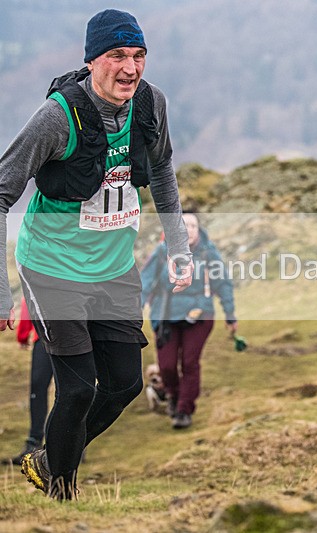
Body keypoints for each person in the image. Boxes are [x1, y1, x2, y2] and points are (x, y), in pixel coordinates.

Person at [0, 9, 193, 499]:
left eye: (138, 56)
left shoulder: (151, 105)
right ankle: (62, 494)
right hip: (52, 268)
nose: (129, 68)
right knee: (79, 387)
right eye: (116, 56)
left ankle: (50, 461)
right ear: (91, 62)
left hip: (112, 267)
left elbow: (164, 170)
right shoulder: (57, 117)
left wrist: (178, 247)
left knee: (126, 383)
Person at [141, 212, 237, 429]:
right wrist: (134, 308)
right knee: (166, 366)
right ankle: (172, 395)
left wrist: (230, 315)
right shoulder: (161, 251)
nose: (189, 229)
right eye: (184, 225)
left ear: (198, 229)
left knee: (190, 363)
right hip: (165, 315)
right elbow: (145, 282)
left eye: (193, 225)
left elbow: (223, 284)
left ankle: (184, 410)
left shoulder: (208, 253)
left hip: (199, 315)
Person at [6, 298, 52, 466]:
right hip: (78, 336)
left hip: (45, 338)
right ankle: (75, 443)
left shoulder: (38, 272)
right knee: (70, 388)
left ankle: (34, 443)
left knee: (38, 389)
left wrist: (23, 335)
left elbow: (28, 302)